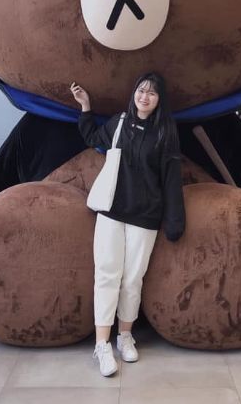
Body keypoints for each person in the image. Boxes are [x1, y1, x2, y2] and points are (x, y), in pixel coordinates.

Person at [70, 72, 185, 378]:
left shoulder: (165, 132)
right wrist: (85, 107)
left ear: (159, 100)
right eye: (141, 91)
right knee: (107, 275)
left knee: (133, 279)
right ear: (134, 93)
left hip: (145, 215)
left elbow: (171, 179)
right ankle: (102, 344)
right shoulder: (119, 122)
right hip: (111, 210)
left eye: (152, 93)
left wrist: (175, 220)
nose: (144, 97)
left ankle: (125, 336)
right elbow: (93, 138)